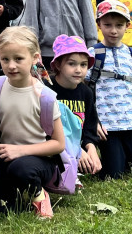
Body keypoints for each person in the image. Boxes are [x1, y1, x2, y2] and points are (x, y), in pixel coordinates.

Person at [0, 26, 66, 219]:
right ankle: (19, 190)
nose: (11, 65)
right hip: (8, 157)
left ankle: (40, 194)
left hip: (40, 159)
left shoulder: (44, 96)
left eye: (18, 59)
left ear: (35, 58)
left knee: (22, 168)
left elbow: (58, 144)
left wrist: (20, 151)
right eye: (5, 59)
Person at [87, 0, 132, 179]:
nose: (113, 30)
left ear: (128, 26)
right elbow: (85, 93)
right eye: (107, 25)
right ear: (99, 25)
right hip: (107, 127)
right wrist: (93, 123)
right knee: (113, 174)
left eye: (119, 25)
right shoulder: (92, 54)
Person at [48, 34, 101, 178]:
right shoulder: (48, 89)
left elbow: (90, 126)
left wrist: (91, 148)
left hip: (79, 144)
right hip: (54, 145)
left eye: (83, 65)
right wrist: (76, 150)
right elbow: (45, 130)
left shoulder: (86, 92)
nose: (78, 70)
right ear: (58, 64)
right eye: (72, 64)